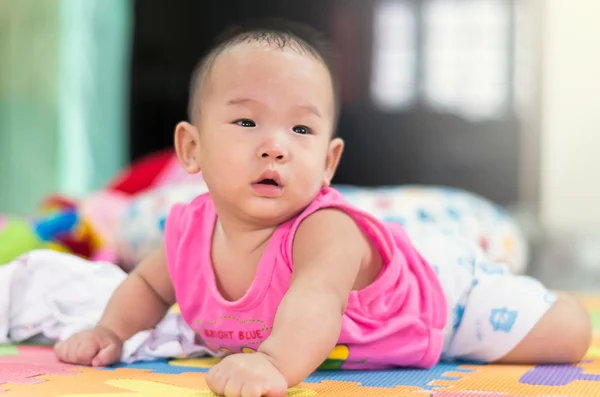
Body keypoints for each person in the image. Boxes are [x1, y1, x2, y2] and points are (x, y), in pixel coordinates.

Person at [55, 19, 592, 397]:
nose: (275, 146)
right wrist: (110, 333)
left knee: (569, 338)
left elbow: (314, 301)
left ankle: (536, 277)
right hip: (385, 319)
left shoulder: (324, 231)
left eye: (302, 129)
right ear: (191, 148)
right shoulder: (187, 231)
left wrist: (272, 364)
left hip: (445, 304)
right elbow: (148, 287)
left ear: (329, 161)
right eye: (246, 122)